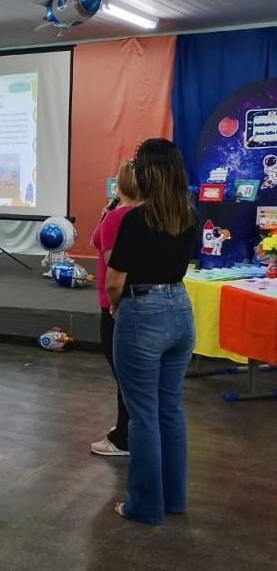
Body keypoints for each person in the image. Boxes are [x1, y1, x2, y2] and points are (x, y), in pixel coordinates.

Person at [106, 138, 197, 525]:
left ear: (144, 175)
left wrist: (115, 304)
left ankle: (144, 506)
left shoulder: (134, 219)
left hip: (143, 313)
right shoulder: (189, 213)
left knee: (142, 414)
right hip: (180, 309)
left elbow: (115, 281)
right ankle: (174, 499)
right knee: (169, 409)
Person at [90, 160, 139, 457]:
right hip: (127, 301)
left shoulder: (117, 219)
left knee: (123, 374)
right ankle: (126, 428)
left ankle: (123, 438)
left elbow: (111, 266)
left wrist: (115, 303)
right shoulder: (137, 216)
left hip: (114, 304)